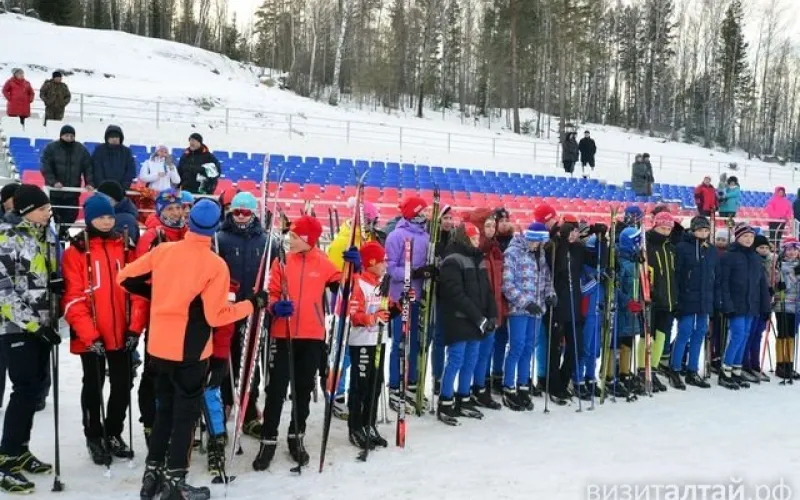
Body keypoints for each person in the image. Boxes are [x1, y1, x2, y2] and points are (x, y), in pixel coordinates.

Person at [119, 199, 262, 500]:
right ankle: (175, 482)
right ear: (214, 227)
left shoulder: (164, 250)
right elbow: (216, 316)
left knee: (164, 413)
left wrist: (158, 294)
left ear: (189, 220)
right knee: (184, 417)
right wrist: (251, 304)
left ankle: (152, 474)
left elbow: (126, 278)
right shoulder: (214, 264)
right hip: (190, 351)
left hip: (159, 348)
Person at [253, 215, 356, 471]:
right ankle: (268, 439)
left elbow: (343, 290)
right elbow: (271, 294)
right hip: (282, 332)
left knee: (302, 389)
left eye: (296, 236)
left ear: (309, 239)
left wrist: (353, 269)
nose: (291, 239)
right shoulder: (282, 261)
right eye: (291, 235)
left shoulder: (323, 263)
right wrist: (276, 306)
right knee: (276, 390)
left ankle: (296, 437)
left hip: (311, 336)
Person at [61, 195, 144, 465]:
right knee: (93, 386)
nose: (106, 221)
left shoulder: (125, 247)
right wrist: (89, 335)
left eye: (109, 216)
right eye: (100, 217)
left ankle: (113, 431)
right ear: (89, 219)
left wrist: (135, 329)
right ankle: (94, 435)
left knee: (122, 384)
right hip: (93, 334)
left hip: (121, 331)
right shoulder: (76, 251)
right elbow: (73, 298)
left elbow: (138, 292)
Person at [0, 185, 60, 494]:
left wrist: (57, 286)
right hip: (16, 327)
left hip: (42, 325)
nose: (48, 212)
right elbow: (4, 294)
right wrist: (35, 326)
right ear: (25, 211)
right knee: (24, 389)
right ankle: (6, 457)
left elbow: (44, 278)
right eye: (42, 208)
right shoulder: (7, 239)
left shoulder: (46, 234)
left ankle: (21, 447)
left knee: (35, 387)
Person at [214, 192, 274, 437]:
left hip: (255, 310)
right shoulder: (220, 238)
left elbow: (276, 274)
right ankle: (225, 405)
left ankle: (248, 410)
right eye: (236, 212)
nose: (240, 216)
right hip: (227, 310)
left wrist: (268, 300)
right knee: (225, 361)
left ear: (254, 213)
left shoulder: (267, 241)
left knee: (250, 363)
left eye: (245, 212)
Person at [133, 189, 187, 447]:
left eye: (179, 208)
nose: (176, 213)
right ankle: (150, 421)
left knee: (179, 370)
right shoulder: (153, 237)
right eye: (170, 209)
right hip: (159, 313)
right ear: (160, 211)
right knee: (154, 371)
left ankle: (173, 420)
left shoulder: (188, 235)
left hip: (184, 314)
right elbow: (140, 278)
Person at [436, 223, 496, 425]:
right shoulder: (453, 260)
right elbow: (456, 294)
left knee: (471, 359)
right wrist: (478, 317)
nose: (477, 241)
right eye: (474, 238)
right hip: (459, 318)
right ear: (464, 237)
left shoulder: (477, 259)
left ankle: (464, 398)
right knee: (456, 359)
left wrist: (492, 314)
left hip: (476, 318)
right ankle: (445, 401)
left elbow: (487, 291)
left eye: (478, 238)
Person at [326, 198, 379, 419]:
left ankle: (351, 393)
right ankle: (335, 394)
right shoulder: (342, 242)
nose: (374, 225)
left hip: (366, 307)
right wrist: (353, 271)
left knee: (360, 354)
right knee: (343, 353)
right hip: (346, 306)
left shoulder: (370, 240)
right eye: (371, 221)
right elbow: (333, 279)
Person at [384, 196, 432, 411]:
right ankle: (395, 385)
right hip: (400, 296)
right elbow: (390, 268)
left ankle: (411, 382)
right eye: (421, 211)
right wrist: (412, 273)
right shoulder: (396, 236)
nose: (425, 215)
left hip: (418, 296)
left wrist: (429, 272)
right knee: (400, 343)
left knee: (415, 342)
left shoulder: (425, 236)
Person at [500, 222, 553, 411]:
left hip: (537, 309)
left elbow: (546, 278)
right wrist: (525, 302)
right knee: (517, 346)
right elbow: (507, 284)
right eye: (536, 242)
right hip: (519, 309)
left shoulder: (540, 254)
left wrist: (550, 294)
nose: (537, 246)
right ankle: (508, 387)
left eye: (540, 243)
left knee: (529, 347)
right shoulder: (513, 252)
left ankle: (523, 386)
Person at [346, 241, 390, 448]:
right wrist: (373, 318)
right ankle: (355, 426)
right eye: (382, 261)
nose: (385, 265)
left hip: (378, 342)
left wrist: (400, 305)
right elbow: (355, 315)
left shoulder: (381, 284)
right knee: (360, 386)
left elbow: (386, 313)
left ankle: (369, 424)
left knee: (376, 385)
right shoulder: (359, 283)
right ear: (370, 262)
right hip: (362, 342)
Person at [718, 223, 770, 390]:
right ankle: (725, 371)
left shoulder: (755, 258)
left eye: (751, 237)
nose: (748, 239)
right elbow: (723, 283)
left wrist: (765, 306)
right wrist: (726, 304)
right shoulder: (729, 256)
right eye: (745, 236)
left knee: (745, 336)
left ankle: (736, 370)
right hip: (736, 304)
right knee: (738, 335)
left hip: (752, 305)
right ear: (737, 237)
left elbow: (762, 285)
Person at [667, 216, 717, 390]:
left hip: (704, 298)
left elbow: (713, 275)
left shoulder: (711, 249)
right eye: (700, 229)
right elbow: (677, 275)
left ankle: (692, 369)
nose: (703, 233)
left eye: (706, 230)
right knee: (685, 331)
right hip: (687, 298)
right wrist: (677, 299)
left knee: (700, 332)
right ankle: (674, 368)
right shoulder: (682, 247)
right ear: (693, 230)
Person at [463, 208, 504, 409]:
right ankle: (468, 389)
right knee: (473, 353)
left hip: (492, 309)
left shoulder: (494, 250)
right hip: (478, 312)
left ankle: (480, 387)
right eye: (486, 226)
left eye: (493, 225)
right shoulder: (475, 253)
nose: (491, 229)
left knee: (486, 351)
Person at [638, 211, 677, 393]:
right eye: (662, 227)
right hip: (650, 300)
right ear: (655, 225)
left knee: (662, 337)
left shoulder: (670, 248)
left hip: (668, 300)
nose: (665, 231)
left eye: (668, 228)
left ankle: (652, 369)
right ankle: (641, 370)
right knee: (648, 337)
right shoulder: (647, 245)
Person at [40, 125, 94, 230]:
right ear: (61, 136)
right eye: (66, 135)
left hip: (72, 195)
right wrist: (53, 182)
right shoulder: (51, 148)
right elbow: (45, 167)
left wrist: (89, 183)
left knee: (70, 217)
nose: (69, 138)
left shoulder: (81, 150)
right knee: (52, 218)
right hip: (54, 193)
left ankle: (63, 234)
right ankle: (55, 236)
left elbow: (88, 167)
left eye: (71, 136)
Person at [741, 234, 773, 383]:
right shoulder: (753, 261)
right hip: (753, 304)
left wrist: (775, 287)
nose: (764, 250)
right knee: (749, 334)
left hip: (763, 304)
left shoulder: (770, 262)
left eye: (766, 247)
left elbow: (774, 280)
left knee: (757, 336)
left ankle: (755, 364)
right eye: (761, 247)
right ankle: (745, 364)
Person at [774, 238, 800, 382]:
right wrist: (794, 274)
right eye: (789, 249)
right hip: (783, 304)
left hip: (796, 306)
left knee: (791, 335)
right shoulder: (780, 266)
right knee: (783, 334)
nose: (792, 252)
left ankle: (789, 363)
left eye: (795, 249)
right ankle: (780, 364)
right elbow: (782, 286)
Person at [91, 125, 136, 190]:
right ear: (107, 138)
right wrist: (102, 186)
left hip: (121, 191)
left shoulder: (127, 152)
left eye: (117, 136)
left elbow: (130, 171)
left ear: (120, 138)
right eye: (112, 136)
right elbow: (96, 170)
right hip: (101, 189)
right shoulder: (99, 150)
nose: (114, 139)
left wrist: (123, 187)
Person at [97, 180, 140, 245]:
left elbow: (122, 246)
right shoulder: (111, 213)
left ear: (111, 199)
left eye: (100, 197)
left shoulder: (125, 219)